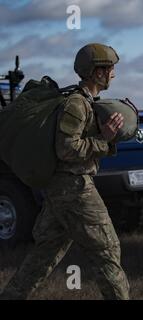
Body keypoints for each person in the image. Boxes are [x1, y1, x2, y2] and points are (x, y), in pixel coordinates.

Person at [0, 43, 130, 300]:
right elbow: (67, 149)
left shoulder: (87, 102)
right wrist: (104, 140)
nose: (113, 72)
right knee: (107, 251)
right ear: (95, 72)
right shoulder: (76, 104)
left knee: (44, 254)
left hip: (62, 190)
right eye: (109, 67)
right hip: (74, 188)